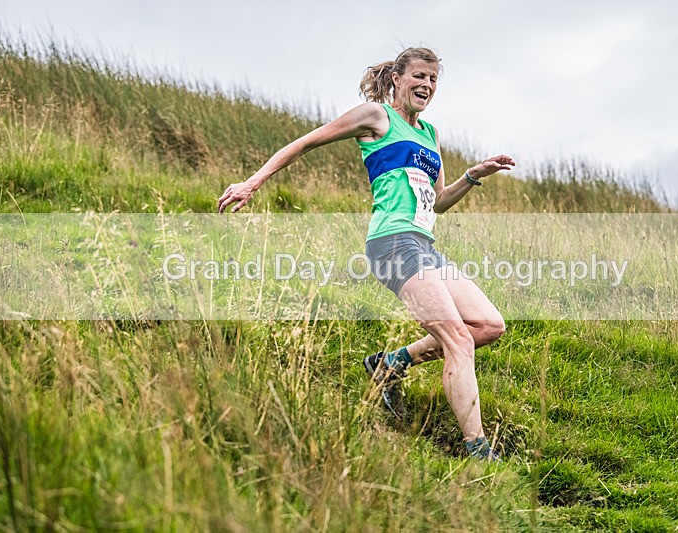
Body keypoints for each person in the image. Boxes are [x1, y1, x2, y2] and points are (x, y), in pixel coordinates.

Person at [218, 47, 515, 461]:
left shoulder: (430, 134)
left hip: (423, 245)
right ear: (397, 78)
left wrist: (472, 176)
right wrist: (253, 182)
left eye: (433, 79)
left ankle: (390, 363)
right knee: (459, 339)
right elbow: (306, 143)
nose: (426, 85)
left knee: (488, 325)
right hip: (391, 243)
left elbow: (440, 201)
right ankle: (477, 448)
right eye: (419, 76)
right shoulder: (376, 117)